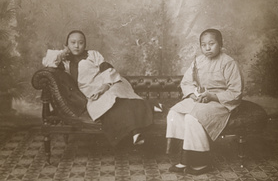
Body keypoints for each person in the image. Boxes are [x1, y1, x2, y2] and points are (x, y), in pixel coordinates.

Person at [42, 30, 153, 146]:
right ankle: (147, 113)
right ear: (67, 45)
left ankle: (136, 132)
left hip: (108, 84)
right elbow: (48, 62)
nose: (77, 46)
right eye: (73, 42)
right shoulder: (65, 62)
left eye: (81, 43)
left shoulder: (93, 55)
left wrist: (105, 87)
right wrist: (63, 52)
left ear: (85, 44)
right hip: (92, 93)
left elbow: (105, 68)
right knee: (107, 107)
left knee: (117, 98)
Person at [166, 28, 243, 175]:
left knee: (193, 117)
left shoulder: (228, 63)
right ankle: (185, 157)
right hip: (200, 98)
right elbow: (187, 82)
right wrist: (193, 95)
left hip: (220, 102)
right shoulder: (198, 61)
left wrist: (212, 97)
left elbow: (236, 92)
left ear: (220, 44)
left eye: (211, 43)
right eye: (203, 44)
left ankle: (201, 162)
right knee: (175, 112)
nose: (207, 48)